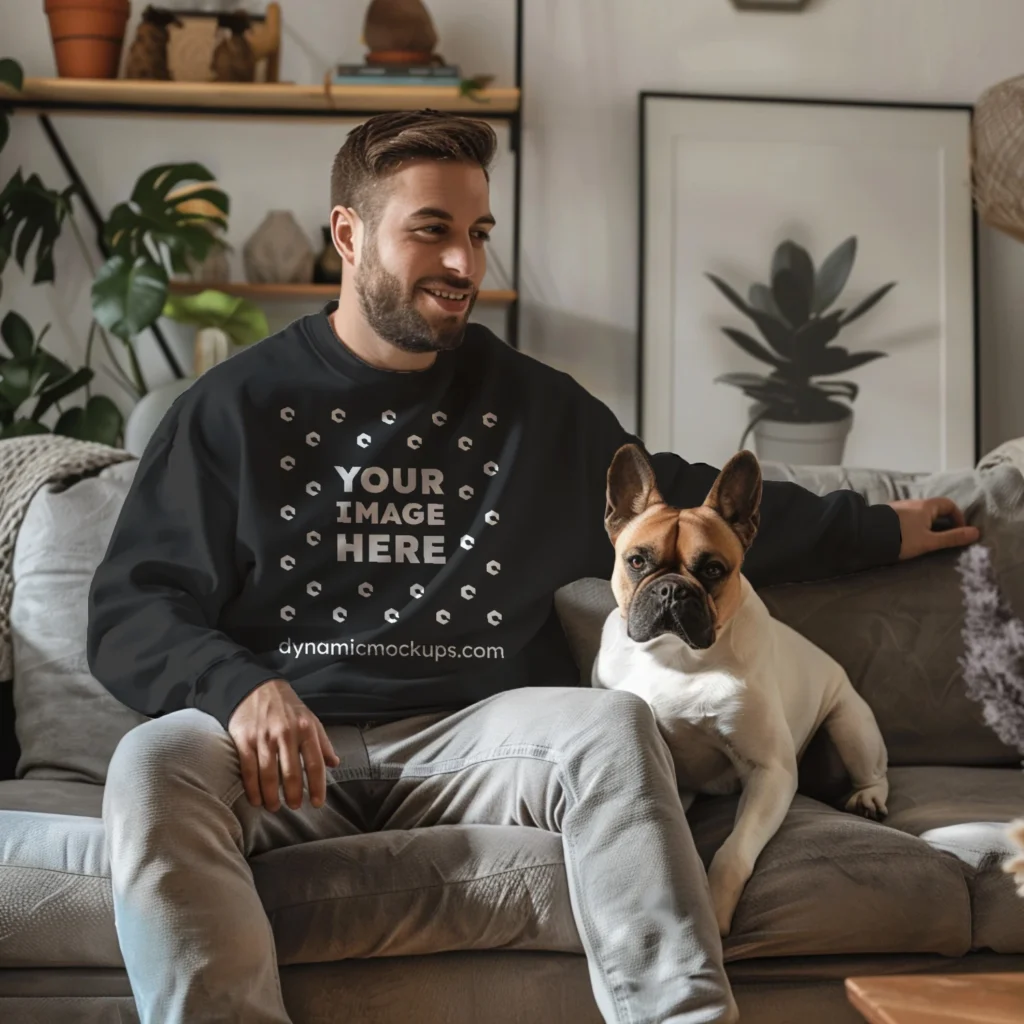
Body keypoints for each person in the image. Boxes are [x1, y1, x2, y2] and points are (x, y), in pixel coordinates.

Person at [88, 109, 979, 1024]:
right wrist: (240, 689)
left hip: (481, 738)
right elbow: (129, 610)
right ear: (348, 236)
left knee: (611, 728)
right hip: (286, 752)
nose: (465, 266)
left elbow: (685, 506)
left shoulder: (532, 410)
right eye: (431, 230)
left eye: (478, 235)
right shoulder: (233, 409)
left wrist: (881, 528)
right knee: (150, 765)